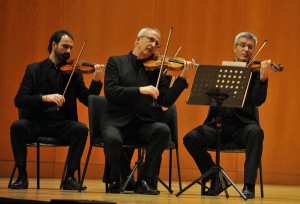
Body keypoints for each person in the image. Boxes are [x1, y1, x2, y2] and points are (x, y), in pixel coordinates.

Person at [101, 27, 195, 194]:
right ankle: (117, 178)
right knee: (113, 140)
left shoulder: (158, 69)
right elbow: (111, 92)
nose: (153, 45)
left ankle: (144, 180)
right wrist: (140, 90)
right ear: (138, 39)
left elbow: (165, 100)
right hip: (116, 121)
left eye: (157, 43)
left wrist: (182, 78)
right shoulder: (116, 61)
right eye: (150, 39)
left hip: (142, 123)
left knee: (162, 130)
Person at [9, 30, 105, 190]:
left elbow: (88, 100)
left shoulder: (73, 73)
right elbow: (19, 99)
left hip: (62, 124)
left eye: (71, 48)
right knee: (17, 126)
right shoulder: (34, 70)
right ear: (54, 45)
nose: (68, 51)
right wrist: (44, 98)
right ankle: (22, 176)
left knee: (81, 129)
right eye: (65, 46)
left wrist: (96, 80)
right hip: (36, 123)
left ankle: (70, 177)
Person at [183, 32, 273, 199]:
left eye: (250, 47)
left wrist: (263, 78)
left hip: (242, 128)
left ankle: (248, 186)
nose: (246, 49)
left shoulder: (255, 73)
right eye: (242, 45)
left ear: (253, 51)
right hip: (217, 126)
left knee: (256, 132)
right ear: (235, 47)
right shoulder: (222, 72)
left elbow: (257, 100)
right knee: (191, 138)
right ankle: (215, 178)